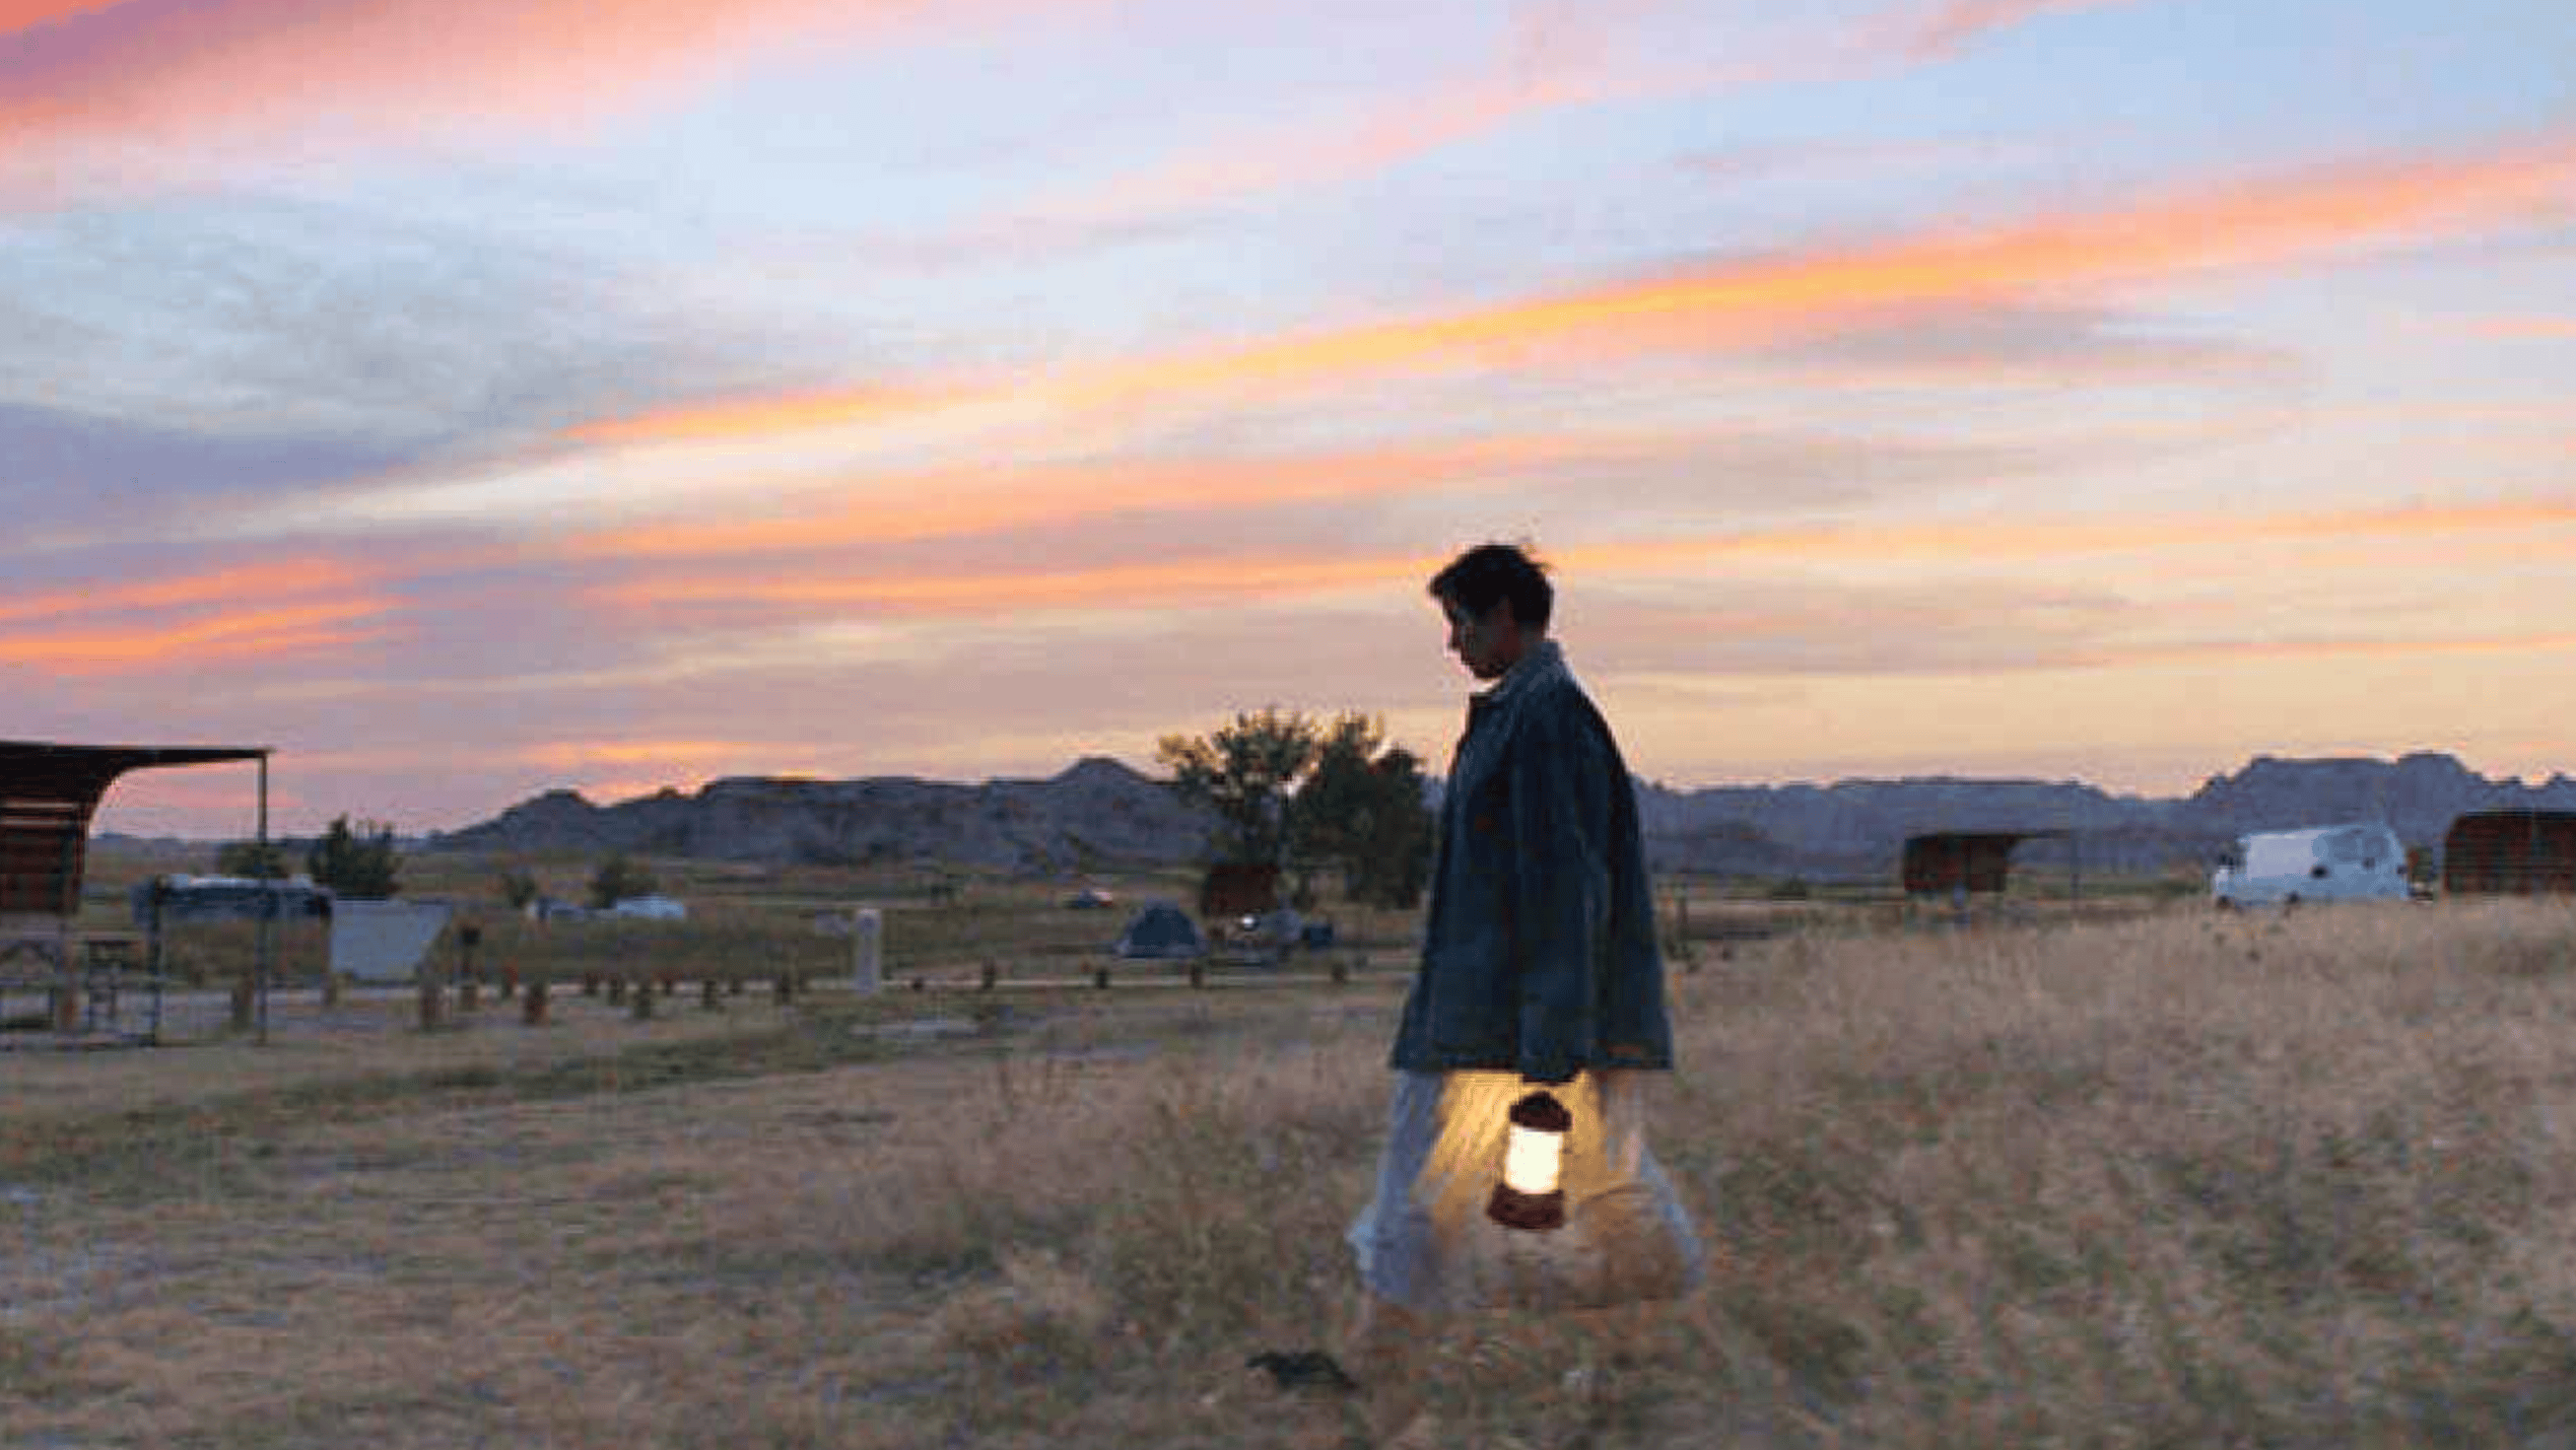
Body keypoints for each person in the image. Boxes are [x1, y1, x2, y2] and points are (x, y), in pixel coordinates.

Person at [1322, 541, 1706, 1432]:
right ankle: (1639, 1352)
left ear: (1503, 615)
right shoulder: (1520, 714)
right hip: (1488, 1010)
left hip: (1502, 1020)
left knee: (1438, 1186)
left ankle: (1379, 1372)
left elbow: (1565, 886)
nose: (1452, 643)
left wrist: (1549, 1049)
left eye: (1459, 621)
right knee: (1593, 1185)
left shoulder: (1549, 720)